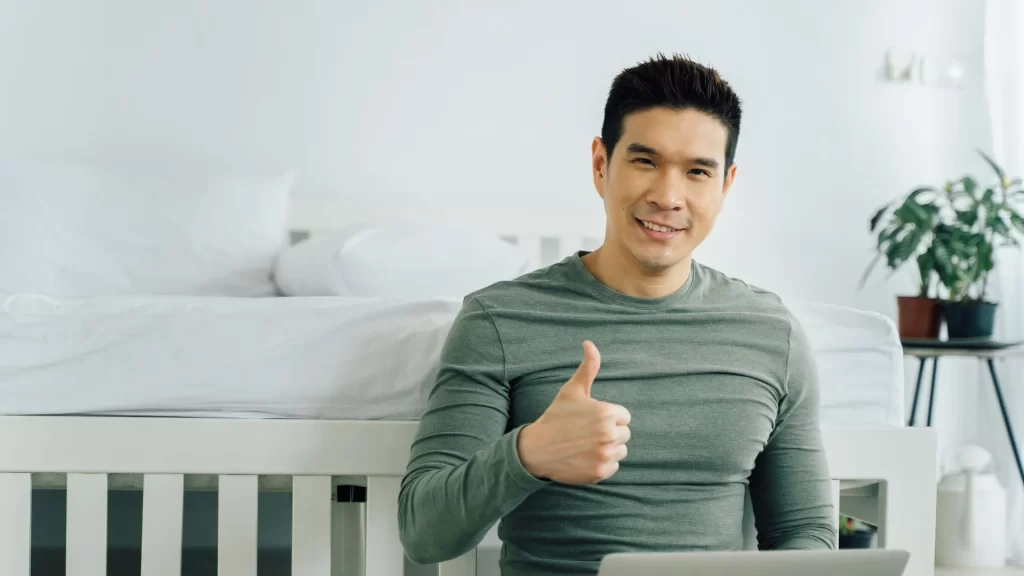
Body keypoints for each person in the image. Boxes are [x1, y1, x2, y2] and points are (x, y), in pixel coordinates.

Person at [398, 53, 837, 575]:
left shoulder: (773, 334)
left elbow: (803, 532)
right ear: (601, 165)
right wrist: (530, 453)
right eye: (645, 161)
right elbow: (422, 533)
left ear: (725, 185)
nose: (668, 196)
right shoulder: (499, 320)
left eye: (698, 171)